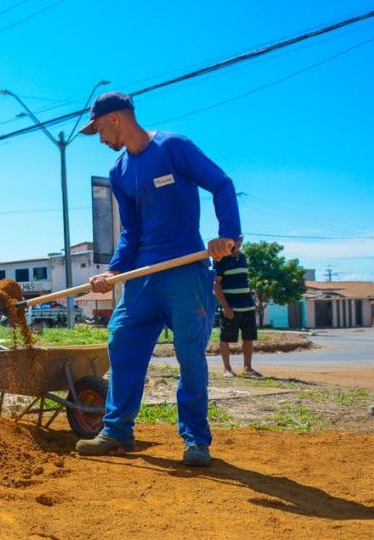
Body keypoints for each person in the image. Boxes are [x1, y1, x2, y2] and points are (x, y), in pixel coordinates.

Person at [75, 92, 240, 467]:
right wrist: (114, 271)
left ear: (114, 118)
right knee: (122, 341)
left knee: (189, 356)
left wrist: (227, 234)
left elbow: (221, 184)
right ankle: (117, 431)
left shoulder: (173, 147)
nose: (99, 137)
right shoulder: (119, 172)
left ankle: (195, 440)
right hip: (143, 276)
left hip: (185, 270)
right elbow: (131, 230)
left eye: (98, 128)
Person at [214, 237, 261, 378]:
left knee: (248, 337)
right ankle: (227, 369)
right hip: (230, 307)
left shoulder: (243, 257)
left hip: (247, 305)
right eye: (235, 240)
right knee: (225, 338)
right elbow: (216, 285)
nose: (238, 242)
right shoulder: (220, 259)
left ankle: (248, 368)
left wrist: (254, 302)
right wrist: (226, 307)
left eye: (239, 239)